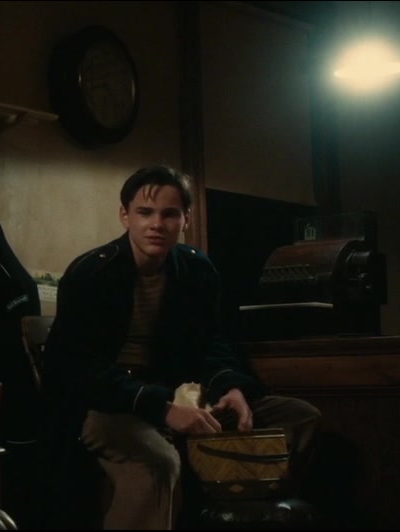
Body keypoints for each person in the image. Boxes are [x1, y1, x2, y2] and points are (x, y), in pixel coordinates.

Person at [40, 165, 321, 530]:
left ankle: (239, 494)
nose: (157, 224)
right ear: (125, 216)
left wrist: (230, 387)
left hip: (181, 396)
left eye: (169, 214)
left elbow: (212, 341)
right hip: (110, 405)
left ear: (186, 218)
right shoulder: (92, 274)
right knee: (159, 463)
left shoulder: (195, 269)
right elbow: (77, 369)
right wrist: (162, 407)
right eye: (145, 213)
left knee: (299, 417)